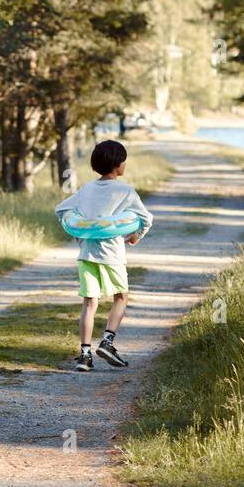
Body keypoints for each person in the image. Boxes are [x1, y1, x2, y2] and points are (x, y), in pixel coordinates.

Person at [54, 140, 152, 372]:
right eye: (124, 161)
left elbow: (61, 210)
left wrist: (80, 232)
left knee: (89, 303)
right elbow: (146, 218)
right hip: (113, 254)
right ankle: (107, 342)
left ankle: (85, 356)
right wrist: (136, 236)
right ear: (118, 165)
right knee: (121, 297)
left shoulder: (86, 189)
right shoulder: (125, 190)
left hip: (87, 253)